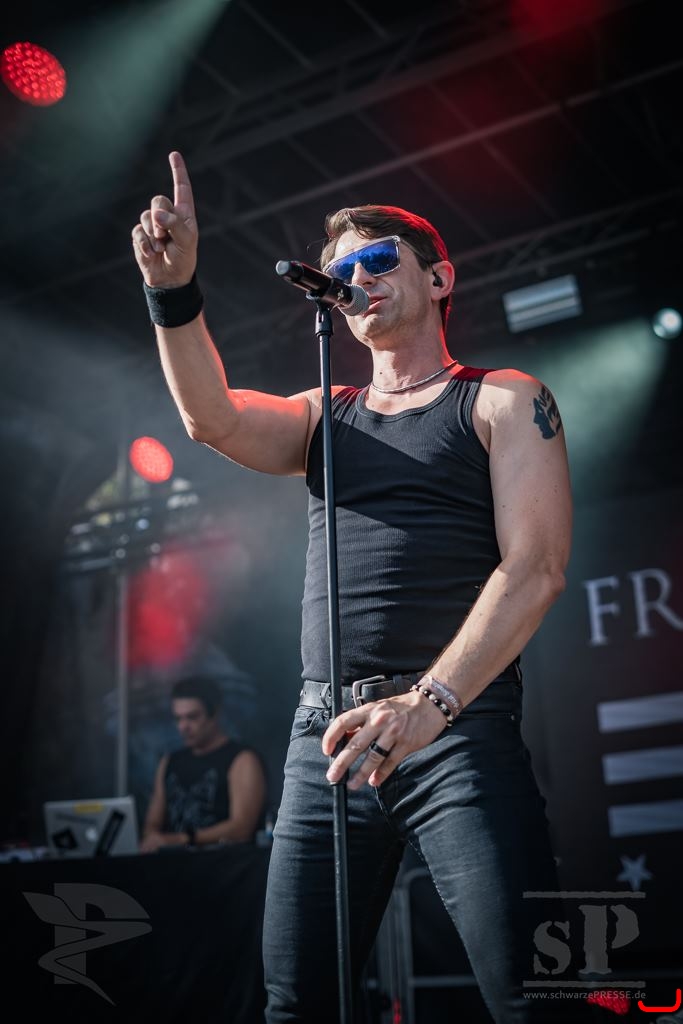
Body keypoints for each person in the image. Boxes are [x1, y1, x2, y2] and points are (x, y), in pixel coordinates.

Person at [131, 152, 590, 1021]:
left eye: (378, 261)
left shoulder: (499, 399)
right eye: (342, 273)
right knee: (294, 1004)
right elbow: (209, 418)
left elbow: (535, 568)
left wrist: (428, 703)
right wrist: (172, 289)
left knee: (532, 997)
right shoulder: (324, 413)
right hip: (326, 740)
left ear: (438, 278)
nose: (357, 280)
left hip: (453, 729)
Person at [140, 675, 267, 852]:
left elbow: (242, 828)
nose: (183, 726)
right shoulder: (170, 761)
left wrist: (182, 839)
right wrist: (153, 839)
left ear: (214, 714)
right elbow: (152, 824)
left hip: (224, 863)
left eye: (192, 717)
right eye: (178, 718)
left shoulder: (242, 759)